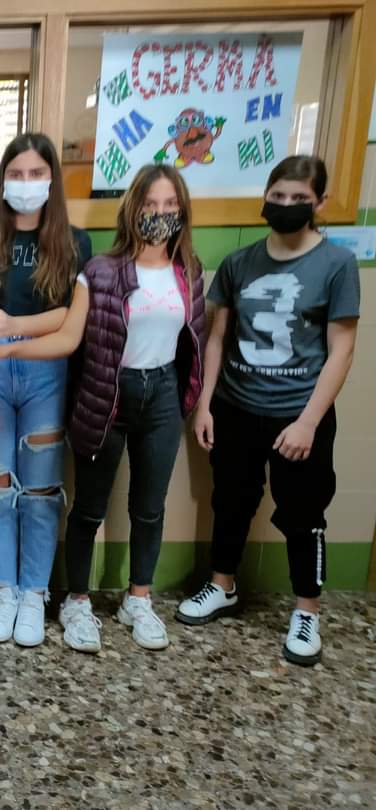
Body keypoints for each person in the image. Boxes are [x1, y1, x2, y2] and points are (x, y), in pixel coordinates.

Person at [0, 163, 206, 654]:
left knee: (149, 507)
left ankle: (139, 599)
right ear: (133, 209)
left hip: (163, 395)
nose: (161, 213)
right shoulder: (101, 271)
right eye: (151, 204)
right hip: (107, 393)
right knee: (89, 507)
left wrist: (197, 400)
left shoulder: (188, 273)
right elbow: (68, 336)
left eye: (170, 205)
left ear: (183, 211)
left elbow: (196, 341)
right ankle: (77, 602)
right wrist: (7, 350)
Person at [176, 155, 360, 667]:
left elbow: (342, 349)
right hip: (236, 405)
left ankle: (307, 611)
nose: (285, 205)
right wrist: (205, 404)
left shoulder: (337, 265)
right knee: (230, 502)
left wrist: (309, 421)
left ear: (320, 202)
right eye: (278, 195)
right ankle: (222, 585)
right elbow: (216, 338)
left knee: (304, 514)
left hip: (298, 413)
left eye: (299, 198)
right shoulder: (241, 262)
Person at [0, 133, 91, 646]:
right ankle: (5, 591)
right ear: (2, 180)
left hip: (46, 370)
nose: (27, 183)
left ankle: (35, 594)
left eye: (37, 174)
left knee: (40, 491)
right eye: (17, 174)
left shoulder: (74, 242)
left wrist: (15, 325)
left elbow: (68, 316)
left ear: (52, 179)